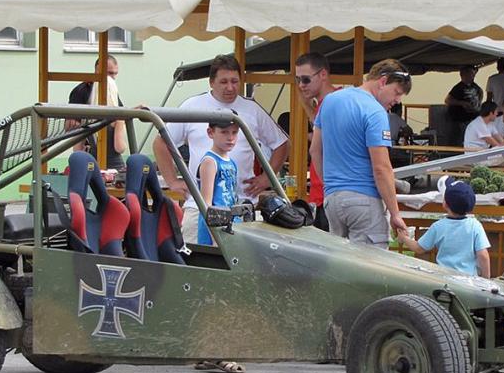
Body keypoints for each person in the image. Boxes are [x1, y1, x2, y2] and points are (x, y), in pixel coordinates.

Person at [153, 55, 289, 242]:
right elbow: (161, 143)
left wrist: (266, 178)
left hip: (242, 206)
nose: (230, 87)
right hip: (199, 206)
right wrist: (172, 181)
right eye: (224, 82)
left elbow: (282, 143)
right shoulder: (192, 106)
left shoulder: (251, 109)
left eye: (235, 81)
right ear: (211, 82)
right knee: (197, 256)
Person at [310, 58, 410, 247]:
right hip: (364, 201)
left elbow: (315, 150)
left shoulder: (330, 100)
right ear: (383, 81)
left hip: (332, 200)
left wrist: (330, 185)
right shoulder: (375, 112)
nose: (397, 100)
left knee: (340, 262)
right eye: (397, 92)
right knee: (370, 263)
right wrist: (395, 213)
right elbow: (381, 168)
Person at [397, 179, 490, 277]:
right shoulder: (475, 226)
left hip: (444, 278)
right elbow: (483, 255)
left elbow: (419, 248)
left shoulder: (438, 226)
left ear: (445, 204)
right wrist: (486, 279)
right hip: (468, 280)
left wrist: (404, 238)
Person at [294, 52, 338, 231]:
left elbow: (325, 142)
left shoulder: (335, 101)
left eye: (305, 79)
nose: (301, 85)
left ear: (323, 74)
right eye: (297, 80)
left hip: (329, 192)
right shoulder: (323, 103)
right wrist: (306, 104)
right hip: (320, 193)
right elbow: (322, 130)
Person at [67, 55, 127, 170]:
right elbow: (120, 147)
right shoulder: (81, 91)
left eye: (115, 74)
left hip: (91, 163)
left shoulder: (87, 117)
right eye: (110, 73)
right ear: (98, 71)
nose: (113, 78)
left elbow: (76, 146)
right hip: (112, 166)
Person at [196, 118, 240, 247]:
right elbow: (206, 204)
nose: (230, 138)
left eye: (234, 132)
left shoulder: (231, 163)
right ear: (211, 132)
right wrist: (214, 237)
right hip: (214, 231)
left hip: (230, 226)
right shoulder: (210, 162)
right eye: (224, 132)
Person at [464, 101, 504, 168]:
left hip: (487, 156)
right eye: (496, 112)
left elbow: (502, 141)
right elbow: (496, 145)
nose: (497, 114)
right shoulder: (478, 124)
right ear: (491, 113)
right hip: (477, 158)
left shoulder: (490, 124)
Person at [443, 65, 483, 144]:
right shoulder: (458, 88)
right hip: (460, 120)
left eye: (473, 74)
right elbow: (447, 100)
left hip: (473, 118)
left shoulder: (475, 86)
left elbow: (480, 93)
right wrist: (462, 103)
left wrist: (478, 104)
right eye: (471, 74)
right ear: (463, 75)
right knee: (459, 139)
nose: (473, 76)